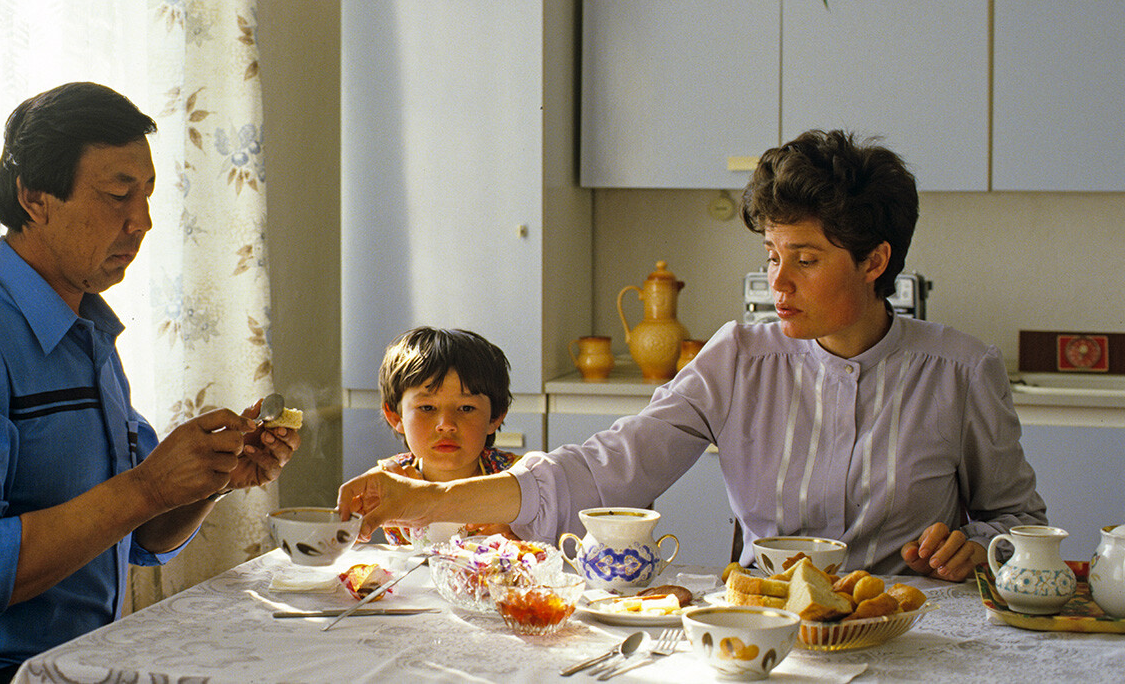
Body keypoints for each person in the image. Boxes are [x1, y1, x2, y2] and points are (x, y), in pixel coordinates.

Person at [337, 129, 1048, 582]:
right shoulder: (738, 357)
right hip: (765, 636)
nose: (777, 281)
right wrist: (429, 497)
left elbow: (1020, 524)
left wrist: (978, 546)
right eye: (771, 255)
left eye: (804, 258)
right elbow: (601, 469)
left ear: (875, 260)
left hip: (911, 637)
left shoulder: (960, 369)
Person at [0, 82, 300, 682]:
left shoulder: (89, 332)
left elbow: (145, 536)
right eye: (118, 194)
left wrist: (210, 477)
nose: (143, 221)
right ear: (34, 197)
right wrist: (147, 487)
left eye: (148, 194)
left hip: (86, 661)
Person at [374, 326, 520, 544]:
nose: (446, 425)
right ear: (396, 417)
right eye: (427, 408)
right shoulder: (392, 480)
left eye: (466, 408)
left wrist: (520, 534)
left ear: (495, 417)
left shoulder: (518, 480)